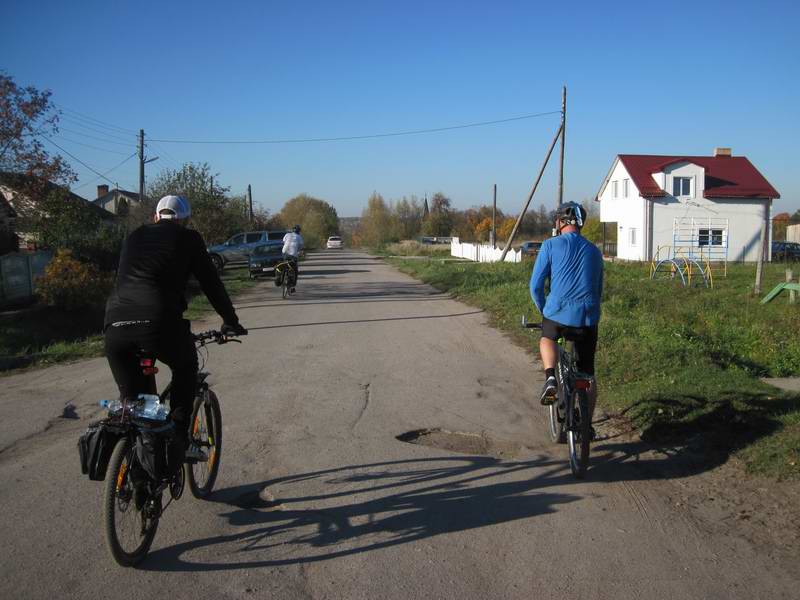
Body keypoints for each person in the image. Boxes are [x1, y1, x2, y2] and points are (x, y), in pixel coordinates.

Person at [104, 194, 247, 469]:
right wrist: (231, 320)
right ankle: (182, 441)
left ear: (155, 217)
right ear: (184, 220)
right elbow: (211, 283)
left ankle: (140, 474)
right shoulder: (188, 238)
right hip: (158, 323)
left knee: (137, 406)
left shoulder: (133, 237)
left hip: (115, 326)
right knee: (186, 367)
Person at [529, 201, 603, 422]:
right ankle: (587, 423)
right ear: (580, 224)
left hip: (557, 313)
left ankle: (550, 377)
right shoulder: (594, 251)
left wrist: (544, 310)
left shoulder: (551, 245)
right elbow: (598, 289)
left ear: (560, 222)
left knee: (547, 338)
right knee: (588, 377)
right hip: (588, 318)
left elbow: (535, 286)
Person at [281, 224, 304, 291]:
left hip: (284, 253)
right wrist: (298, 250)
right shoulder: (299, 237)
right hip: (293, 255)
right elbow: (301, 246)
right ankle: (292, 286)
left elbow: (284, 242)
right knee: (295, 270)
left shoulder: (287, 235)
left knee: (285, 265)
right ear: (299, 231)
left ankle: (283, 276)